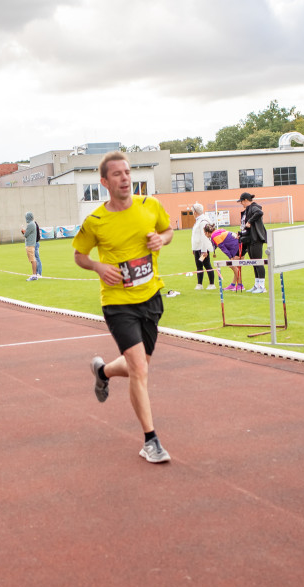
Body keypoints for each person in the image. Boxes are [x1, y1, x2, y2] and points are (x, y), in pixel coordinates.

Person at [73, 151, 174, 464]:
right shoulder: (96, 221)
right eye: (116, 174)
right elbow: (79, 255)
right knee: (140, 371)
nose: (124, 178)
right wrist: (98, 267)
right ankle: (150, 440)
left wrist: (162, 239)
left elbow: (168, 231)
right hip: (118, 304)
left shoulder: (150, 206)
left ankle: (102, 371)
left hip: (151, 297)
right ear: (104, 182)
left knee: (136, 367)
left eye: (127, 172)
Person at [237, 192, 267, 293]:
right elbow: (245, 226)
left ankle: (262, 286)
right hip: (249, 239)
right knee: (254, 263)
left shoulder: (254, 207)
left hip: (256, 239)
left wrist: (250, 221)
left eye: (242, 202)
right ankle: (256, 284)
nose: (241, 204)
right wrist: (240, 234)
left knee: (258, 262)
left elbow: (259, 213)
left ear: (245, 200)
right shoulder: (247, 210)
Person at [202, 222, 243, 291]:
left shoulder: (213, 236)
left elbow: (223, 247)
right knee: (235, 266)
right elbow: (215, 246)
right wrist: (207, 252)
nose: (205, 235)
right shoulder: (217, 232)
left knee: (233, 266)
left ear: (208, 232)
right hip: (239, 244)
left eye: (205, 233)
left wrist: (230, 257)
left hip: (237, 246)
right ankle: (233, 285)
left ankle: (240, 285)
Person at [189, 202, 215, 290]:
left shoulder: (203, 220)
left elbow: (205, 236)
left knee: (207, 265)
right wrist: (194, 248)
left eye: (193, 211)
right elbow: (195, 235)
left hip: (202, 247)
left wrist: (204, 250)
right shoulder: (198, 220)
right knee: (199, 265)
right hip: (197, 247)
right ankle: (199, 284)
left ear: (195, 212)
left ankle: (212, 284)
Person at [23, 211, 40, 281]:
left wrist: (23, 230)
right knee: (33, 259)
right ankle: (34, 274)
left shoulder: (30, 224)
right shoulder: (33, 224)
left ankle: (34, 275)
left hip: (30, 244)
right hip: (32, 244)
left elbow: (26, 235)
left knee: (33, 260)